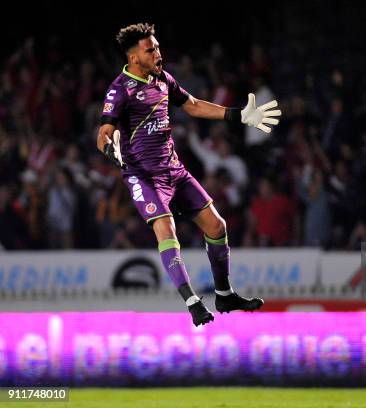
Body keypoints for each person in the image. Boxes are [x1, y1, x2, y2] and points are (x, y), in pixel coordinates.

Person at [96, 23, 282, 326]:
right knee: (166, 229)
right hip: (143, 176)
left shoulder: (163, 79)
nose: (158, 52)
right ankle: (193, 302)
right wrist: (109, 149)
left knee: (216, 225)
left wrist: (239, 115)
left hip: (174, 170)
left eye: (157, 46)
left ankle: (224, 294)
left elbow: (193, 106)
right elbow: (104, 133)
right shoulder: (120, 90)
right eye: (150, 49)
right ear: (133, 58)